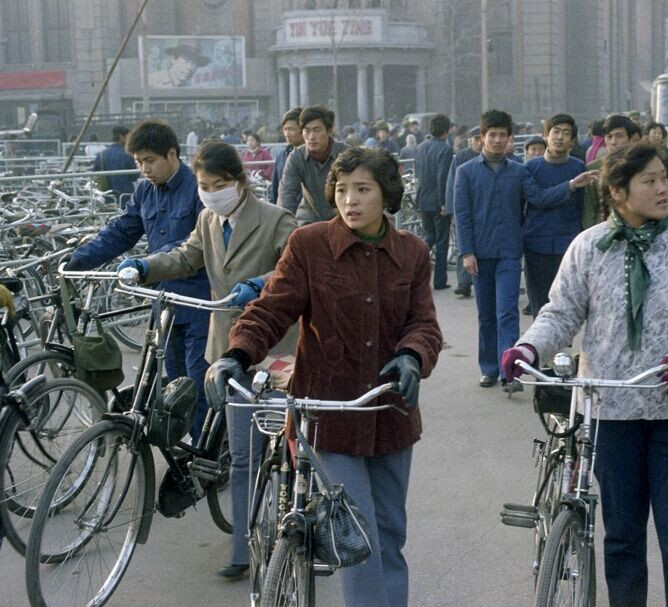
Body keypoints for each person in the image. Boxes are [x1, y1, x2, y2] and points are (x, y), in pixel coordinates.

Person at [205, 146, 442, 607]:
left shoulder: (412, 252)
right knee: (357, 533)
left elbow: (424, 323)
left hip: (390, 408)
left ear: (385, 195)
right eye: (341, 189)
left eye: (363, 189)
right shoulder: (309, 245)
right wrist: (236, 353)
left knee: (390, 531)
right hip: (327, 414)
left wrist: (414, 355)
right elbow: (272, 309)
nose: (349, 200)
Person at [501, 141, 668, 607]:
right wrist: (529, 345)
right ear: (617, 191)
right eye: (648, 180)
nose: (662, 187)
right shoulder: (588, 247)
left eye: (662, 177)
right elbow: (561, 312)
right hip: (610, 411)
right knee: (622, 538)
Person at [120, 141, 297, 580]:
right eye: (205, 185)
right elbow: (186, 256)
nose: (212, 192)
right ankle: (242, 548)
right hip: (227, 347)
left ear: (240, 182)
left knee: (288, 448)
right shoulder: (207, 219)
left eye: (220, 185)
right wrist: (144, 265)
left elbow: (295, 269)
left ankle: (295, 525)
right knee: (241, 455)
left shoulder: (277, 219)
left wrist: (257, 284)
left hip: (278, 350)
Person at [64, 120, 212, 439]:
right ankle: (184, 449)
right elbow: (122, 230)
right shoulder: (145, 190)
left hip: (199, 300)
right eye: (138, 162)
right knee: (174, 384)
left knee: (198, 384)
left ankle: (204, 457)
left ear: (172, 154)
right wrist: (80, 258)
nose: (144, 169)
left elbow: (193, 245)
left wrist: (145, 265)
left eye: (149, 160)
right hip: (164, 303)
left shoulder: (200, 189)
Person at [454, 109, 596, 388]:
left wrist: (570, 185)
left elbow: (540, 198)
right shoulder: (466, 172)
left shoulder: (519, 172)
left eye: (502, 135)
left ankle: (511, 371)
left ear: (509, 139)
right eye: (491, 135)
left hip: (509, 250)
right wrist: (466, 252)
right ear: (482, 138)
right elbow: (462, 216)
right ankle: (489, 367)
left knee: (506, 311)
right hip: (479, 253)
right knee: (486, 314)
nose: (496, 140)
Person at [523, 113, 587, 317]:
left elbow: (582, 206)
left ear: (572, 140)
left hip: (568, 245)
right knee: (540, 304)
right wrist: (571, 185)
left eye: (566, 133)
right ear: (545, 135)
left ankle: (561, 348)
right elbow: (536, 199)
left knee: (566, 303)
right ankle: (539, 348)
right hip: (536, 244)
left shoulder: (578, 167)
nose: (560, 137)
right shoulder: (531, 168)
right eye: (556, 132)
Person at [279, 105, 348, 225]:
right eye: (307, 130)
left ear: (329, 130)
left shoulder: (345, 154)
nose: (311, 136)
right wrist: (283, 225)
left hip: (341, 218)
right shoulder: (296, 157)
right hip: (308, 219)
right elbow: (287, 193)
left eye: (317, 130)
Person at [413, 114, 455, 290]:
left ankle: (415, 256)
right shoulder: (445, 149)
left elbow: (418, 173)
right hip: (438, 201)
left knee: (429, 234)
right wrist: (444, 202)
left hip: (423, 198)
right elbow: (442, 177)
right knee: (442, 240)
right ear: (446, 131)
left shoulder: (421, 147)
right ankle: (439, 280)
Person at [445, 126, 481, 298]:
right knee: (463, 245)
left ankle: (477, 280)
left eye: (481, 138)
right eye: (476, 139)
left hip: (481, 208)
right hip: (464, 208)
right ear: (470, 141)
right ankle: (464, 283)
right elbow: (451, 183)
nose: (479, 143)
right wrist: (451, 208)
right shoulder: (461, 157)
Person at [583, 114, 636, 229]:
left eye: (619, 136)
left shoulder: (639, 166)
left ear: (631, 138)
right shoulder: (593, 168)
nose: (613, 142)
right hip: (603, 227)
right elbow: (589, 207)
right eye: (609, 136)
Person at [269, 107, 303, 205]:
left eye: (291, 129)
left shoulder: (312, 156)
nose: (287, 134)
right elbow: (275, 188)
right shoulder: (281, 156)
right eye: (285, 129)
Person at [91, 126, 137, 199]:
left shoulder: (101, 155)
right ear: (121, 137)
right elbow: (135, 176)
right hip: (126, 194)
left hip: (106, 195)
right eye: (128, 137)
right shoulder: (129, 154)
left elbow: (95, 175)